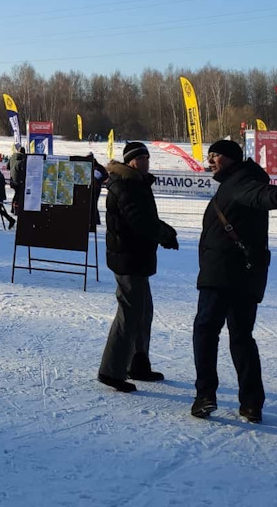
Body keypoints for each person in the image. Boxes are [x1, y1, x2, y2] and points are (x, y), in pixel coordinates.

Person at [190, 140, 277, 423]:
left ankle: (206, 395)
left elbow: (259, 195)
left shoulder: (240, 181)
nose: (210, 161)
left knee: (207, 331)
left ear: (231, 159)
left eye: (215, 155)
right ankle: (251, 403)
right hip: (245, 274)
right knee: (241, 337)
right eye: (209, 155)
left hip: (223, 275)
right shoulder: (237, 180)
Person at [98, 142, 179, 393]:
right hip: (128, 258)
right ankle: (111, 371)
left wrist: (164, 232)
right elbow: (141, 222)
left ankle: (138, 363)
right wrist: (165, 234)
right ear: (130, 161)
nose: (145, 162)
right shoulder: (126, 186)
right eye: (140, 158)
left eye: (147, 157)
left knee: (143, 311)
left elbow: (146, 219)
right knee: (130, 313)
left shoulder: (135, 183)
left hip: (136, 258)